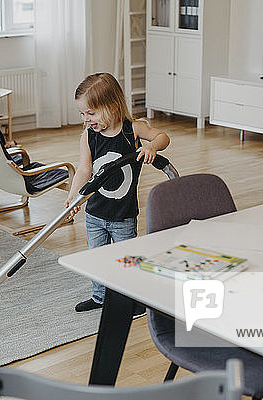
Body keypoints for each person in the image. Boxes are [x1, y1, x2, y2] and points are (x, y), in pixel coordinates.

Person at [65, 72, 170, 312]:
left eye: (91, 113)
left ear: (112, 106)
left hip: (123, 215)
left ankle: (131, 300)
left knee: (126, 260)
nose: (86, 119)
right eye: (82, 113)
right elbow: (84, 170)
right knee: (97, 257)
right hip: (95, 213)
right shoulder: (88, 136)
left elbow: (163, 137)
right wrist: (73, 196)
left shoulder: (132, 130)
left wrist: (151, 146)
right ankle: (99, 297)